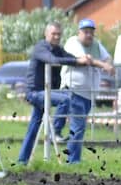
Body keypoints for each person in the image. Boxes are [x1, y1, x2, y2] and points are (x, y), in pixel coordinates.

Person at [47, 18, 115, 164]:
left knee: (79, 127)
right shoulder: (73, 42)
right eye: (85, 32)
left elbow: (107, 57)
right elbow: (85, 60)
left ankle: (60, 139)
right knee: (78, 127)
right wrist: (104, 65)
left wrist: (108, 63)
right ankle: (73, 160)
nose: (89, 35)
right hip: (74, 89)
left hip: (88, 94)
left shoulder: (97, 45)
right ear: (79, 32)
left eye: (91, 32)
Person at [16, 22, 82, 166]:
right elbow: (52, 60)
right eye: (54, 34)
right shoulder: (41, 48)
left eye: (59, 34)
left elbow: (70, 58)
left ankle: (22, 161)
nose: (57, 37)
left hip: (45, 92)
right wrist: (77, 61)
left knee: (33, 127)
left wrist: (84, 60)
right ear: (46, 34)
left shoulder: (58, 49)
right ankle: (56, 132)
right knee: (65, 100)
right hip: (35, 92)